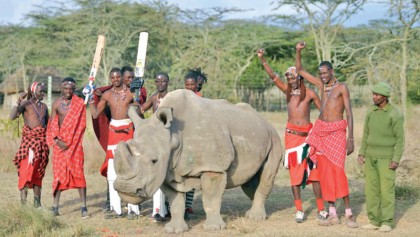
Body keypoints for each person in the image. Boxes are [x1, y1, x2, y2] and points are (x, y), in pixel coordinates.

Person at [257, 48, 325, 223]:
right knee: (295, 174)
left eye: (293, 77)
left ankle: (321, 209)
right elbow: (273, 77)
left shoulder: (310, 93)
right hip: (292, 137)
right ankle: (299, 210)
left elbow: (324, 112)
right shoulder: (287, 91)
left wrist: (320, 131)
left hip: (309, 137)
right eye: (288, 78)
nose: (290, 80)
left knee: (314, 173)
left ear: (299, 77)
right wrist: (263, 59)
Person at [295, 41, 358, 228]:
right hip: (321, 132)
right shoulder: (320, 86)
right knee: (325, 174)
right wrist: (298, 51)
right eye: (320, 73)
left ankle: (348, 213)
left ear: (332, 71)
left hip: (337, 133)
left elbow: (349, 113)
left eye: (325, 73)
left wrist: (351, 138)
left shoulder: (341, 88)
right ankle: (332, 213)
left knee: (338, 172)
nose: (322, 76)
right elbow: (299, 69)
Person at [87, 68, 140, 220]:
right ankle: (116, 209)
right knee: (112, 172)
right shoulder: (107, 94)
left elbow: (139, 108)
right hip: (113, 131)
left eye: (118, 77)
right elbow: (96, 114)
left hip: (128, 130)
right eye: (113, 77)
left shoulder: (130, 92)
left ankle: (133, 209)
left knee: (130, 168)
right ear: (110, 79)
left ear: (122, 78)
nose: (116, 79)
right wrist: (90, 98)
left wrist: (137, 95)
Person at [358, 82, 404, 232]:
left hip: (387, 159)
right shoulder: (371, 111)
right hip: (371, 157)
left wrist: (395, 159)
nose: (374, 97)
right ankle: (374, 220)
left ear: (384, 97)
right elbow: (366, 133)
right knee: (371, 190)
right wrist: (362, 152)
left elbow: (400, 139)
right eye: (373, 94)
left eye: (376, 95)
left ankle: (387, 222)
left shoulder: (394, 114)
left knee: (386, 191)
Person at [46, 77, 89, 218]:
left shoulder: (79, 103)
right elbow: (52, 124)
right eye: (66, 88)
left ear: (74, 89)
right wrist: (57, 140)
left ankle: (84, 207)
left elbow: (82, 125)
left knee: (78, 173)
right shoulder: (56, 104)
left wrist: (71, 143)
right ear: (61, 87)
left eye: (71, 88)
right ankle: (55, 207)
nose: (68, 91)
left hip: (75, 145)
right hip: (59, 146)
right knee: (58, 175)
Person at [10, 82, 49, 208]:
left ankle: (37, 205)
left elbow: (48, 125)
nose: (43, 93)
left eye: (44, 90)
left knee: (38, 174)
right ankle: (23, 207)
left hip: (42, 144)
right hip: (29, 145)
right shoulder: (25, 104)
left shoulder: (44, 107)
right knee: (25, 173)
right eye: (40, 91)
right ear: (33, 91)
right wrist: (18, 100)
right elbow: (12, 117)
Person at [139, 72, 171, 222]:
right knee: (157, 176)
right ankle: (157, 211)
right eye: (158, 81)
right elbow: (140, 110)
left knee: (168, 177)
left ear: (167, 82)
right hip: (155, 140)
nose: (161, 83)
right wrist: (136, 94)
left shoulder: (172, 98)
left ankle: (167, 210)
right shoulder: (153, 98)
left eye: (163, 81)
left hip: (169, 140)